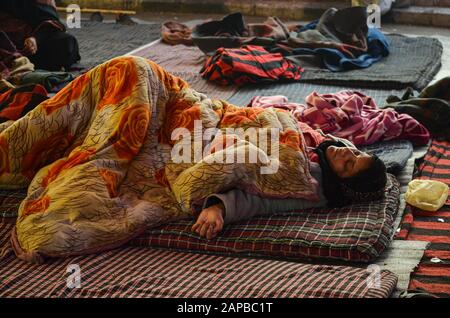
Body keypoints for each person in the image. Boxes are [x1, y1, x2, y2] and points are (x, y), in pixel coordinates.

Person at [192, 138, 388, 240]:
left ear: (341, 183)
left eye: (349, 164)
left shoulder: (311, 186)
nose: (346, 152)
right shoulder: (324, 150)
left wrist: (218, 207)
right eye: (355, 152)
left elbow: (264, 200)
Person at [0, 0, 80, 71]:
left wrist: (35, 39)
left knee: (66, 41)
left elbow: (49, 19)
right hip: (5, 43)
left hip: (35, 43)